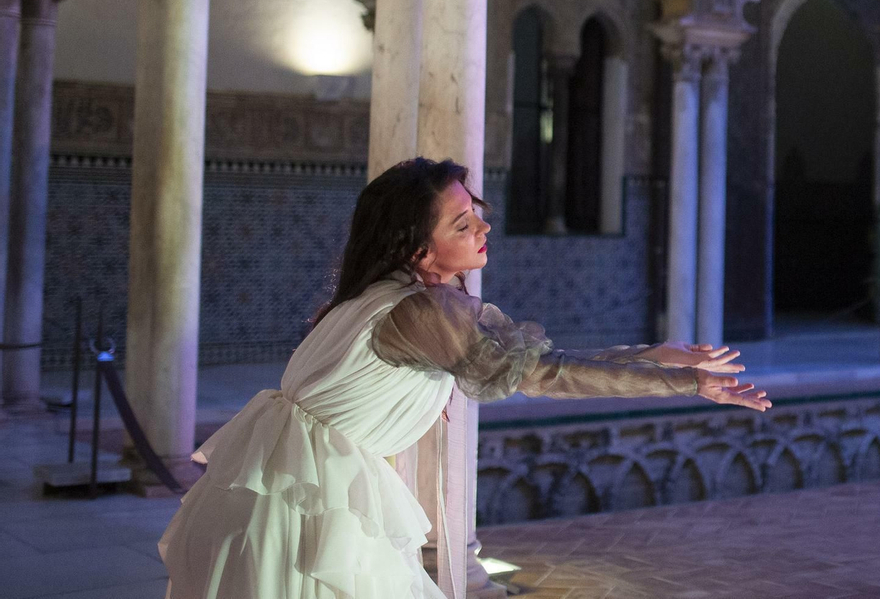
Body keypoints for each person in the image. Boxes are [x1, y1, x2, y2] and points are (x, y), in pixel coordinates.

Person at [158, 157, 769, 599]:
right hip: (299, 517)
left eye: (475, 215)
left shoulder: (375, 296)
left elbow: (530, 362)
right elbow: (541, 375)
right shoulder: (421, 310)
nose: (483, 229)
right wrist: (682, 384)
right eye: (461, 224)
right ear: (420, 252)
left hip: (274, 499)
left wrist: (655, 355)